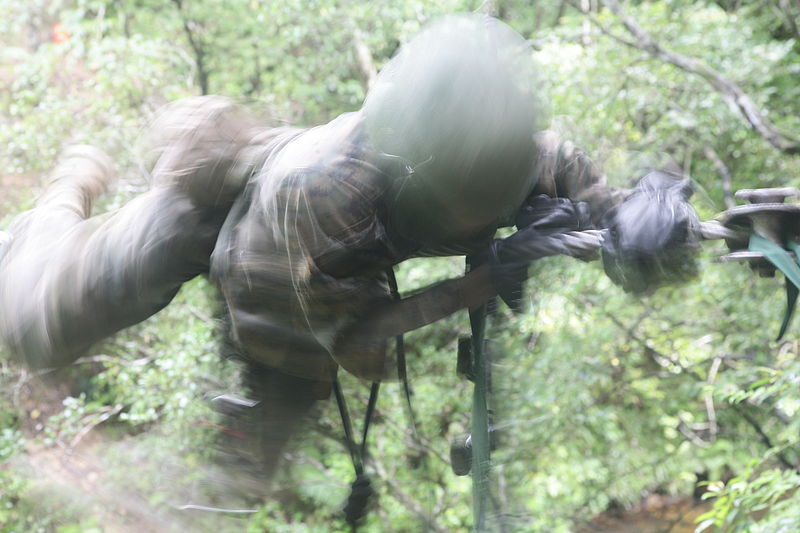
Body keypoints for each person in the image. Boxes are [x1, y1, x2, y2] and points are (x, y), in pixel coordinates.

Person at [0, 15, 695, 484]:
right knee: (35, 323)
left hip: (315, 237)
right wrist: (458, 294)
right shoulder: (326, 198)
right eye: (473, 209)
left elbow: (564, 167)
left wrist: (632, 213)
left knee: (246, 474)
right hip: (227, 232)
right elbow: (355, 343)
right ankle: (65, 194)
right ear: (420, 178)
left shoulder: (486, 151)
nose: (490, 213)